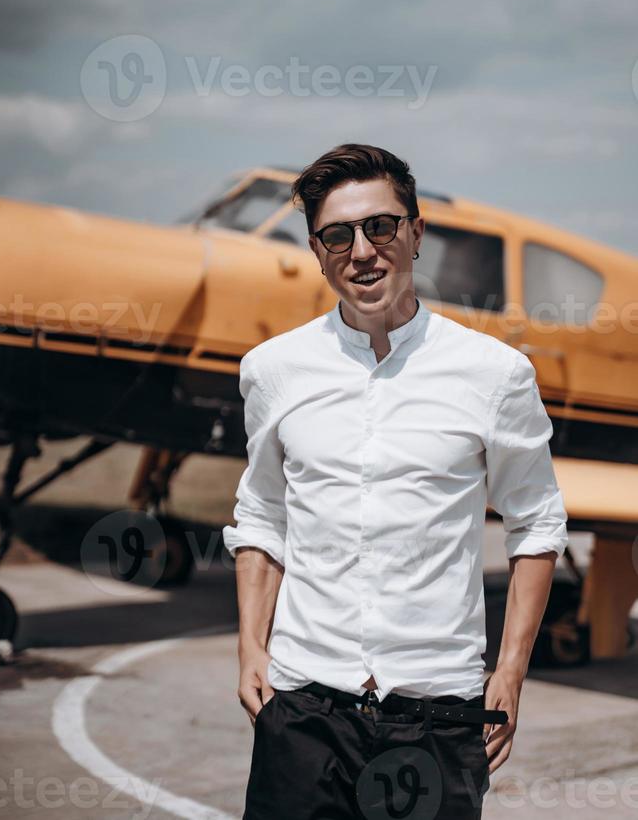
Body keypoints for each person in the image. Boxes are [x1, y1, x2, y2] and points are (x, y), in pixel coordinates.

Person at [222, 143, 568, 820]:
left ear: (416, 232)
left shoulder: (494, 375)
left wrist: (511, 670)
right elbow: (262, 513)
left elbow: (536, 523)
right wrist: (249, 648)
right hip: (302, 714)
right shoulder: (273, 370)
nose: (363, 251)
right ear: (318, 251)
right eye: (338, 235)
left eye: (381, 227)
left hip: (437, 721)